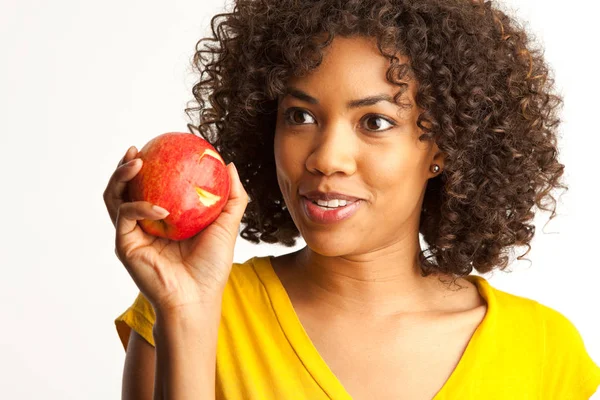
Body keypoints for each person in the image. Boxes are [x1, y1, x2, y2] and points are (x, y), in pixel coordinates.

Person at [104, 0, 600, 398]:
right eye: (299, 116)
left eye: (375, 122)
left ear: (443, 148)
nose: (326, 158)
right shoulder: (187, 310)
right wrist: (187, 314)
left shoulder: (542, 351)